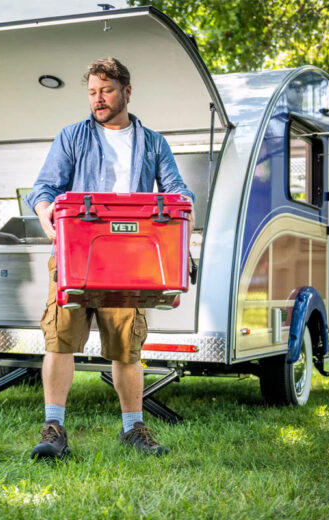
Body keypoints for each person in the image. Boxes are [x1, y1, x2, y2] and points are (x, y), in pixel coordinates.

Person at [24, 58, 195, 458]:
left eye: (106, 91)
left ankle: (133, 429)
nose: (98, 100)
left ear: (126, 92)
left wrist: (183, 217)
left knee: (126, 348)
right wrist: (45, 211)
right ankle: (54, 428)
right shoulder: (73, 136)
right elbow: (45, 188)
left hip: (132, 261)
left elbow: (176, 191)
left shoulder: (153, 142)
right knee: (60, 340)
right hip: (74, 256)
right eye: (93, 93)